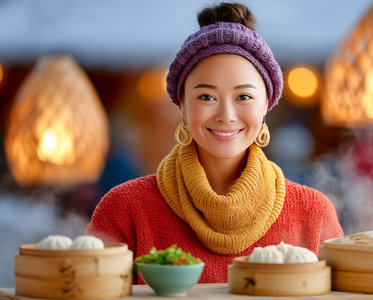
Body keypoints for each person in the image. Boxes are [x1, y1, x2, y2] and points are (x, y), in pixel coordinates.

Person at [86, 2, 343, 283]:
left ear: (266, 106)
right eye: (206, 97)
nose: (226, 115)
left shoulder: (313, 213)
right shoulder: (124, 210)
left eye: (243, 97)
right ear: (181, 105)